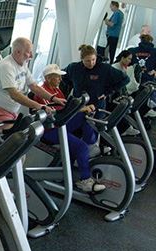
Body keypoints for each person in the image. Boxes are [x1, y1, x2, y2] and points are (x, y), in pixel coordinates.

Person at [33, 64, 106, 193]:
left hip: (60, 124)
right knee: (80, 147)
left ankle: (91, 145)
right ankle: (85, 181)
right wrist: (80, 109)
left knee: (85, 117)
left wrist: (82, 109)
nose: (60, 80)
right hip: (50, 130)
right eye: (57, 77)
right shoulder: (42, 92)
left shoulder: (57, 90)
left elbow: (66, 108)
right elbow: (55, 114)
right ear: (49, 78)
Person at [0, 37, 66, 127]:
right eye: (29, 52)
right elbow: (14, 95)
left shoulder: (22, 65)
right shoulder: (7, 66)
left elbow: (34, 87)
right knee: (14, 137)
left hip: (10, 112)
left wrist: (54, 99)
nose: (32, 56)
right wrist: (39, 106)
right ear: (18, 52)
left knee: (24, 133)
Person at [61, 44, 128, 155]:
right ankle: (74, 152)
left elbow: (125, 79)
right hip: (80, 106)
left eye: (93, 59)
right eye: (87, 61)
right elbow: (64, 77)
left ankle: (91, 150)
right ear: (81, 59)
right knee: (72, 130)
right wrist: (71, 88)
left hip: (97, 105)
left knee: (92, 131)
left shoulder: (104, 68)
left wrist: (108, 92)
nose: (91, 63)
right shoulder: (73, 68)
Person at [128, 34, 156, 118]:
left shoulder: (132, 50)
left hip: (133, 81)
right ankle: (145, 111)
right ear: (150, 41)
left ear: (141, 41)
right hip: (147, 81)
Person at [112, 50, 141, 136]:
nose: (130, 61)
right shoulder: (114, 68)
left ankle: (127, 126)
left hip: (119, 93)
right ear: (122, 58)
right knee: (121, 105)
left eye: (130, 59)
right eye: (128, 59)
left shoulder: (124, 68)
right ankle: (125, 128)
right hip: (113, 95)